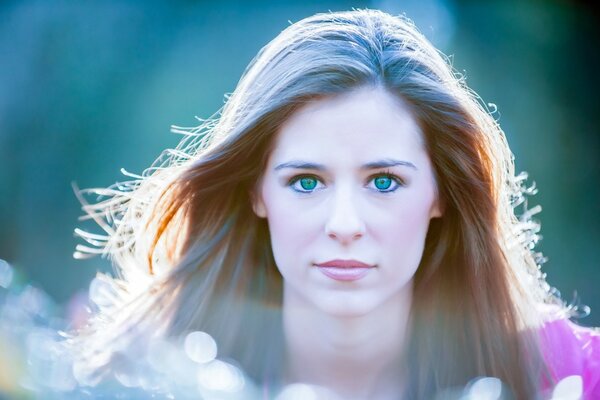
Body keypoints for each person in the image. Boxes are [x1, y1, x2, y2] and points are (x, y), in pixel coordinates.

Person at [71, 9, 599, 399]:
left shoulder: (572, 376)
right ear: (256, 191)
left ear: (441, 194)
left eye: (385, 182)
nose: (344, 225)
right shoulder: (138, 379)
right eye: (306, 181)